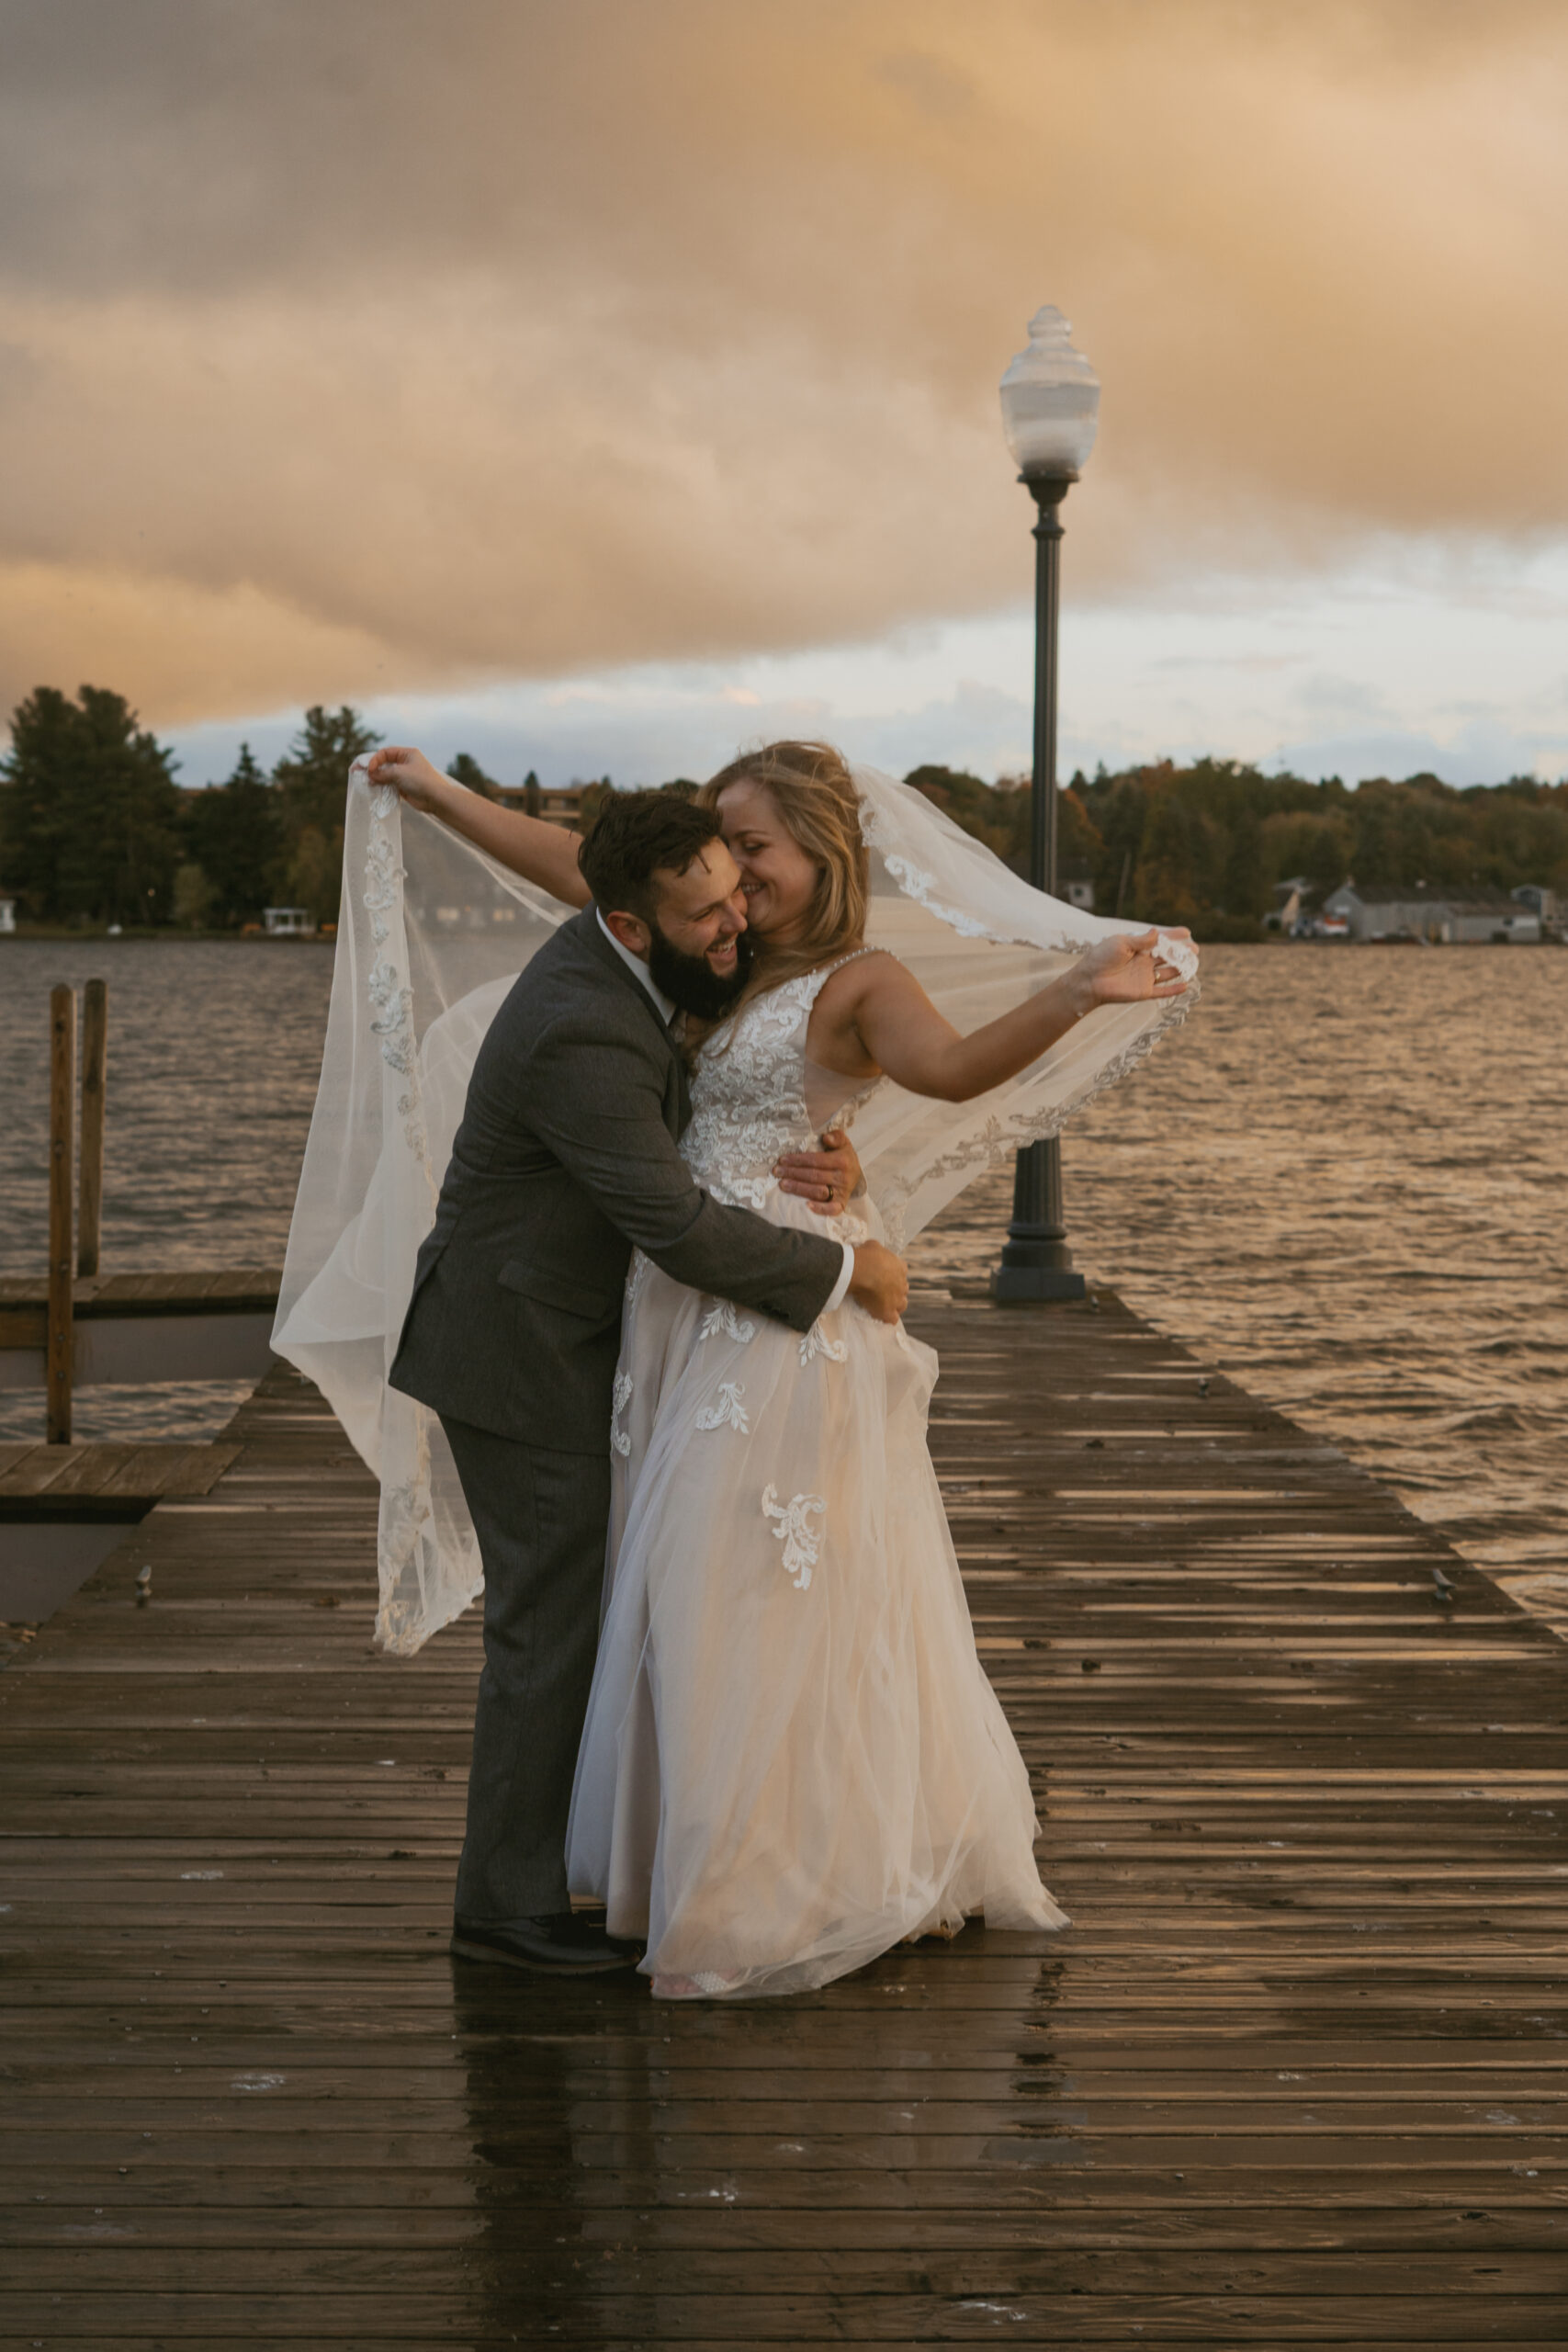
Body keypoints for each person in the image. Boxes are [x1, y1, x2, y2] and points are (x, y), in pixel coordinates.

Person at [363, 739, 1193, 1997]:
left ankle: (760, 1866)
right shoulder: (708, 955)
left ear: (824, 856)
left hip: (756, 1313)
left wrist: (1077, 991)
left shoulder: (850, 977)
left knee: (746, 1587)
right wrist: (442, 796)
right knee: (657, 1591)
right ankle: (611, 1878)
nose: (735, 881)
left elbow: (954, 1069)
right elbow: (590, 870)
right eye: (722, 856)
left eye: (753, 851)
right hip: (664, 1305)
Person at [377, 786, 908, 1976]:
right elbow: (672, 1224)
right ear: (628, 925)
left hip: (555, 1329)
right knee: (545, 1623)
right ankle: (504, 1913)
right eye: (707, 919)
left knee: (578, 1609)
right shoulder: (584, 1028)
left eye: (737, 899)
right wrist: (845, 1269)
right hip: (515, 1352)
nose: (736, 931)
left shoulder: (630, 952)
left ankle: (568, 1868)